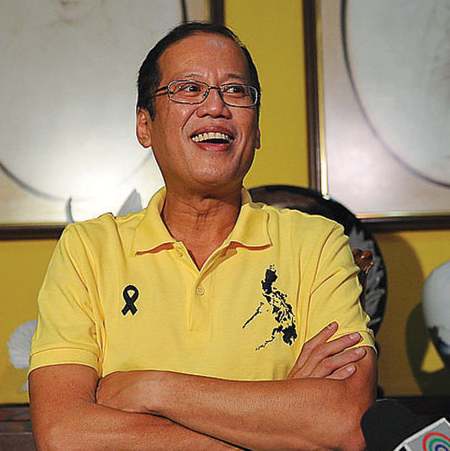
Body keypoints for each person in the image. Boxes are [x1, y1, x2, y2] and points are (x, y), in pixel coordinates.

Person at [28, 22, 377, 450]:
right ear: (144, 125)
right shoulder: (88, 250)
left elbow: (344, 420)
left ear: (257, 128)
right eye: (189, 89)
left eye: (235, 91)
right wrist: (279, 426)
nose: (215, 107)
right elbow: (63, 434)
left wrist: (151, 388)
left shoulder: (316, 242)